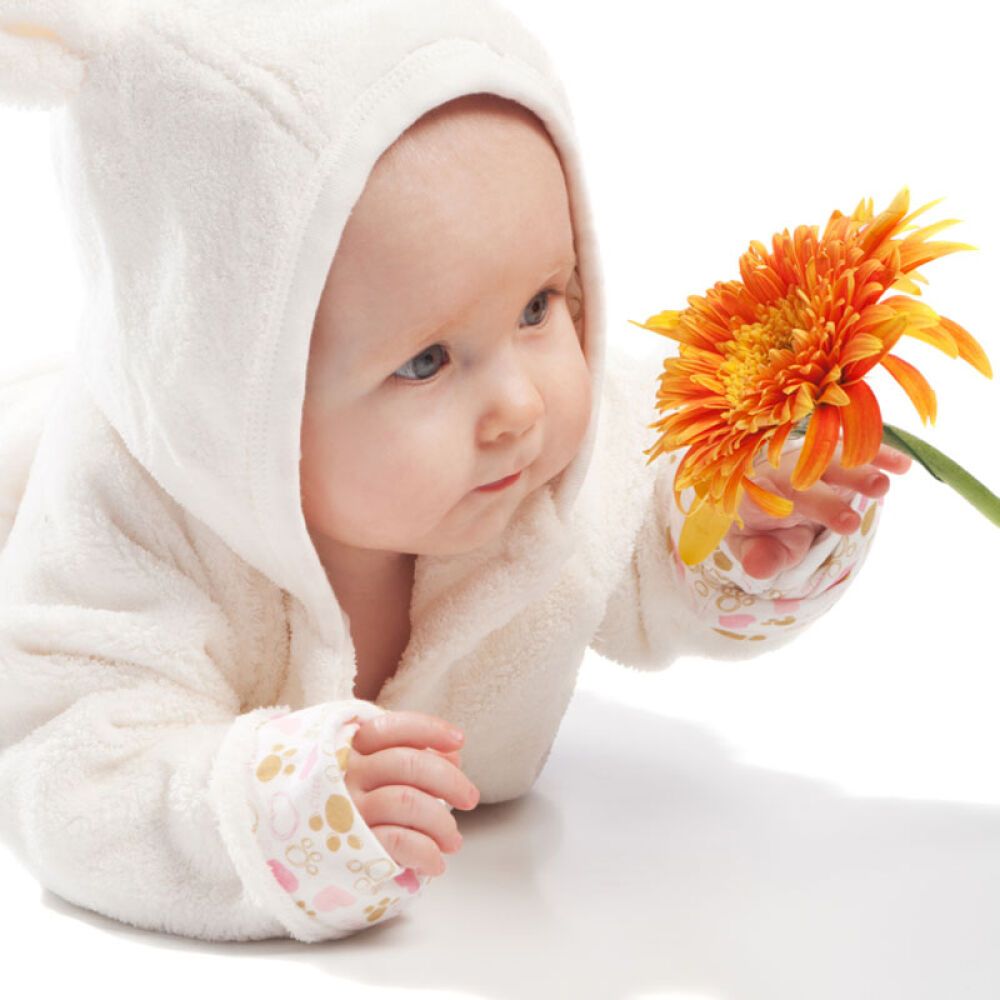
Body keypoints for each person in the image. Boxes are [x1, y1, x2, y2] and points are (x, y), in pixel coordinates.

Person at [0, 0, 908, 944]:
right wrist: (277, 811)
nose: (519, 406)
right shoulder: (127, 519)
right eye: (426, 361)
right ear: (233, 394)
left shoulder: (543, 446)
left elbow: (649, 528)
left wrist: (745, 512)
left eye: (540, 305)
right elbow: (70, 765)